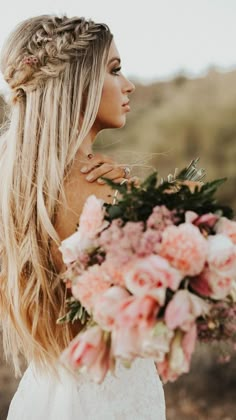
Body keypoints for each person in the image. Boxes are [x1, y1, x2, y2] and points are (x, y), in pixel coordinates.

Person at [0, 14, 166, 419]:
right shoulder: (102, 193)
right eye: (114, 70)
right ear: (77, 84)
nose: (128, 85)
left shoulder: (19, 195)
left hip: (46, 391)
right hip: (111, 399)